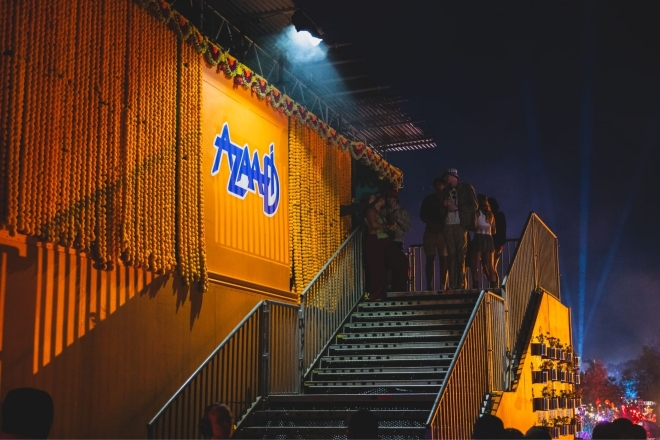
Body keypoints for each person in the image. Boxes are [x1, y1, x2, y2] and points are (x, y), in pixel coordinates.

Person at [439, 167, 478, 290]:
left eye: (447, 176)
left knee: (460, 255)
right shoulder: (445, 191)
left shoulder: (466, 188)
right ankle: (452, 284)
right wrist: (444, 205)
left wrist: (458, 207)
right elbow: (440, 210)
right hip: (448, 225)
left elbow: (474, 206)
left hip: (461, 225)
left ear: (453, 176)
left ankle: (460, 284)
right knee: (451, 255)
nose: (445, 179)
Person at [364, 194, 394, 301]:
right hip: (374, 240)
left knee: (380, 268)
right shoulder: (371, 211)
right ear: (380, 200)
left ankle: (380, 293)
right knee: (375, 268)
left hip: (380, 241)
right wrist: (387, 226)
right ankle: (374, 294)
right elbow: (373, 225)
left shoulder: (379, 212)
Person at [420, 177, 448, 290]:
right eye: (437, 185)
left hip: (441, 231)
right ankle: (430, 285)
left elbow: (422, 215)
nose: (438, 187)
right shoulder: (429, 199)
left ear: (444, 186)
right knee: (431, 258)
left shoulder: (446, 198)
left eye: (440, 184)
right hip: (432, 230)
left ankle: (442, 284)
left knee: (443, 259)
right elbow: (422, 215)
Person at [469, 194, 498, 289]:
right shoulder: (491, 215)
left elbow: (474, 226)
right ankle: (493, 285)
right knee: (491, 266)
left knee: (474, 264)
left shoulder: (476, 213)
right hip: (489, 239)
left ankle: (475, 284)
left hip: (479, 238)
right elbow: (494, 230)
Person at [489, 197, 507, 272]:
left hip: (493, 243)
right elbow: (503, 228)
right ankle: (494, 280)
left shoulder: (491, 216)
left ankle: (494, 280)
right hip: (499, 244)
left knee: (491, 268)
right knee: (493, 268)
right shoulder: (500, 215)